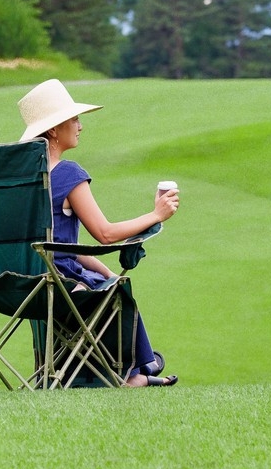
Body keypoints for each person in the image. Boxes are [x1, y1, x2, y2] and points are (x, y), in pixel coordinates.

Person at [17, 78, 179, 387]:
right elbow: (104, 234)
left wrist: (105, 271)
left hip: (21, 284)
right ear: (53, 129)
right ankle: (138, 372)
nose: (80, 126)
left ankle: (131, 371)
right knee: (110, 293)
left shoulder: (20, 179)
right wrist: (156, 215)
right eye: (74, 119)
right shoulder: (67, 174)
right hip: (60, 282)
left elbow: (55, 243)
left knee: (108, 282)